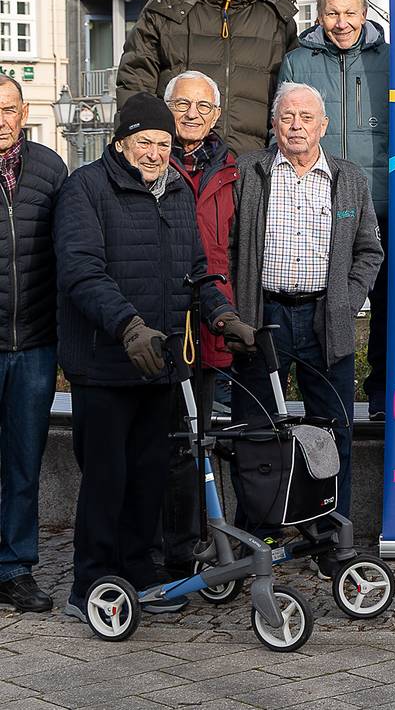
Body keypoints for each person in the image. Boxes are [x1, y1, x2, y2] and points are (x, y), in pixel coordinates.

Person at [55, 93, 255, 619]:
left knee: (148, 475)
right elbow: (80, 270)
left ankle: (140, 574)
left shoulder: (176, 194)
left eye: (164, 143)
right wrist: (128, 327)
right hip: (105, 363)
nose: (155, 151)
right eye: (145, 141)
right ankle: (91, 585)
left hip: (162, 364)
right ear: (120, 141)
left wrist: (222, 315)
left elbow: (198, 271)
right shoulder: (86, 189)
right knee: (106, 478)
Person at [229, 82, 384, 520]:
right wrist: (238, 308)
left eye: (306, 117)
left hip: (325, 319)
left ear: (323, 126)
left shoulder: (348, 178)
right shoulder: (248, 172)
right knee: (255, 431)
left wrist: (345, 302)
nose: (296, 126)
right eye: (287, 117)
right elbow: (228, 245)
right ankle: (256, 534)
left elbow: (369, 250)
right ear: (274, 123)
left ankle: (332, 537)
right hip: (263, 316)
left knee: (334, 433)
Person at [275, 0, 390, 420]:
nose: (341, 23)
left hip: (383, 199)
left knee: (385, 299)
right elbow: (283, 128)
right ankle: (303, 391)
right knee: (323, 295)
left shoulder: (391, 58)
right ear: (319, 16)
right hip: (323, 197)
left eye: (350, 13)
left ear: (364, 14)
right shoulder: (298, 60)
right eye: (331, 14)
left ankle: (380, 391)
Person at [116, 0, 298, 155]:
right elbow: (135, 80)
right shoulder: (168, 6)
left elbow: (290, 93)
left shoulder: (275, 14)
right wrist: (137, 149)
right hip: (180, 160)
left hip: (252, 163)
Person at [160, 70, 239, 578]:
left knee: (205, 436)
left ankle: (208, 541)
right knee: (168, 440)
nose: (192, 114)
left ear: (216, 115)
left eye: (203, 107)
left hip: (212, 317)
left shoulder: (234, 166)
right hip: (162, 319)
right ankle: (174, 549)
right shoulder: (150, 157)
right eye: (182, 104)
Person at [0, 77, 67, 612]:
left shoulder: (50, 168)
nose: (2, 120)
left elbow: (68, 251)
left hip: (36, 342)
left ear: (24, 112)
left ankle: (15, 568)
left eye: (9, 109)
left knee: (25, 460)